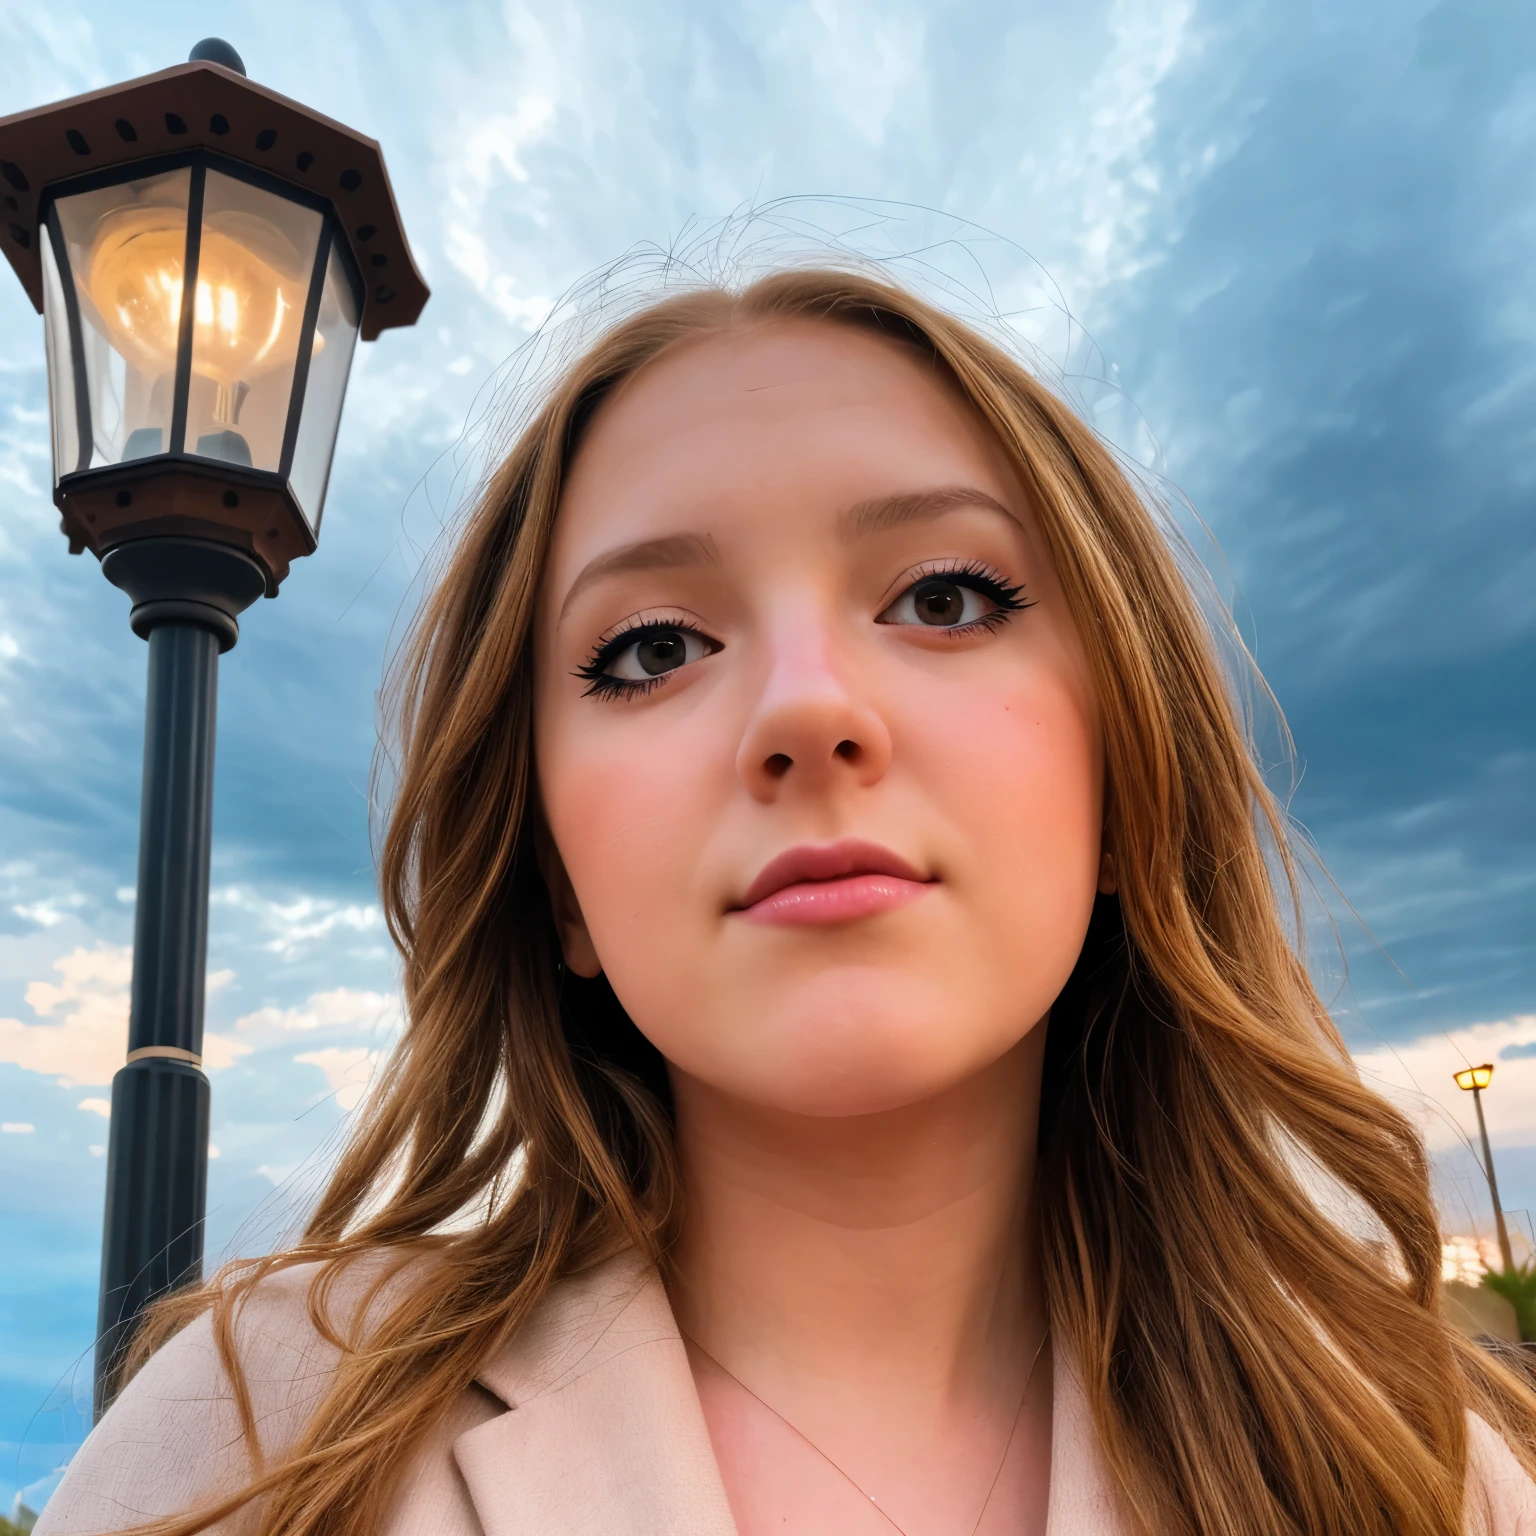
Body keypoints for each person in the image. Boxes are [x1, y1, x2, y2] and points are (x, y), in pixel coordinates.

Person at [36, 267, 1536, 1536]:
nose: (809, 710)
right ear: (556, 878)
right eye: (653, 649)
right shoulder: (265, 1450)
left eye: (945, 596)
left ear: (1123, 783)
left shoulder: (1408, 1467)